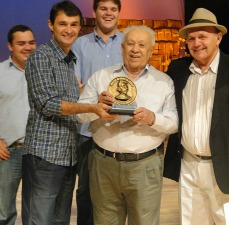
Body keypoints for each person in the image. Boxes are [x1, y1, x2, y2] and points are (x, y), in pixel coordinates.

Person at [163, 8, 229, 225]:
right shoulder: (178, 69)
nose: (196, 43)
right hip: (189, 166)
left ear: (218, 38)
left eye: (203, 36)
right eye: (191, 38)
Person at [22, 1, 116, 225]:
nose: (69, 29)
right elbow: (48, 104)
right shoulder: (41, 57)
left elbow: (75, 100)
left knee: (59, 220)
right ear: (50, 25)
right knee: (40, 219)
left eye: (74, 24)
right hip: (44, 154)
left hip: (67, 153)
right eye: (62, 23)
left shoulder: (69, 60)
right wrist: (92, 107)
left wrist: (97, 100)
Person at [76, 25, 178, 225]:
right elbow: (80, 115)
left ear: (150, 50)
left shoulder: (163, 82)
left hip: (145, 167)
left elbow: (174, 123)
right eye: (130, 44)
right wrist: (97, 108)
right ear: (122, 48)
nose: (135, 49)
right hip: (104, 165)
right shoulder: (101, 77)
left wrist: (153, 118)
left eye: (142, 45)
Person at [71, 1, 122, 223]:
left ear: (119, 12)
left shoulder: (128, 43)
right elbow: (76, 86)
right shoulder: (79, 45)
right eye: (103, 9)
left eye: (113, 9)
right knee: (86, 192)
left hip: (119, 132)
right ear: (94, 12)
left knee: (115, 194)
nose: (108, 13)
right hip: (87, 132)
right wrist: (96, 102)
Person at [0, 24, 36, 225]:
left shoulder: (42, 73)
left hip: (37, 153)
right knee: (3, 212)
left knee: (35, 210)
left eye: (31, 42)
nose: (27, 47)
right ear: (10, 46)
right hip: (8, 152)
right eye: (21, 43)